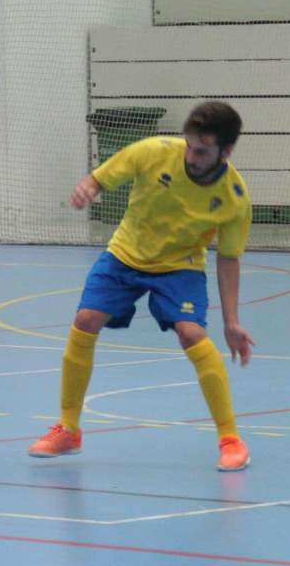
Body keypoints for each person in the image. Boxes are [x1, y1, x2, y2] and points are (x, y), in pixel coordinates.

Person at [29, 101, 255, 471]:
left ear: (226, 151)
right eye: (189, 146)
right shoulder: (153, 152)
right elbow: (101, 177)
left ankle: (231, 440)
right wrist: (88, 187)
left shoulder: (234, 198)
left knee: (191, 333)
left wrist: (232, 322)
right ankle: (69, 430)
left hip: (180, 266)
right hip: (125, 254)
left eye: (202, 151)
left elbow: (228, 259)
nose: (191, 156)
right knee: (86, 320)